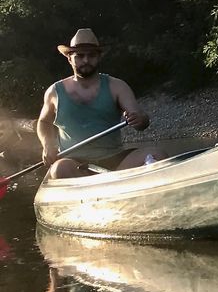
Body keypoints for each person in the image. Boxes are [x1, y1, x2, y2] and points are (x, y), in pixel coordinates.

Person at [37, 28, 168, 179]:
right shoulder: (54, 91)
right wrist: (47, 144)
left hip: (115, 160)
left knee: (158, 154)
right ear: (69, 58)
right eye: (80, 56)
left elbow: (141, 120)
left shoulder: (117, 86)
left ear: (99, 57)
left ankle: (117, 183)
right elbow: (44, 122)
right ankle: (94, 187)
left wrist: (139, 119)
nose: (86, 60)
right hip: (74, 163)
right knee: (60, 169)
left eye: (91, 55)